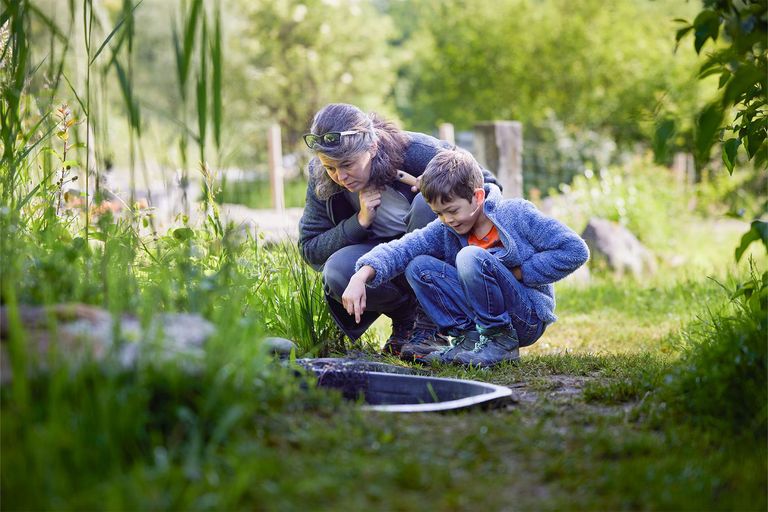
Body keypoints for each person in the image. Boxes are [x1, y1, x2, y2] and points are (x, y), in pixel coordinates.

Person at [342, 147, 589, 366]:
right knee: (419, 266)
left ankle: (501, 342)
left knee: (470, 256)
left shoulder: (516, 214)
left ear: (477, 197)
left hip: (525, 317)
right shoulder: (446, 228)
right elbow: (404, 248)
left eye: (452, 210)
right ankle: (468, 339)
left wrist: (520, 273)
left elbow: (574, 250)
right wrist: (361, 275)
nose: (447, 219)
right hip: (480, 318)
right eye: (439, 213)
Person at [298, 103, 499, 359]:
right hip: (382, 261)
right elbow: (310, 248)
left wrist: (439, 188)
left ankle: (430, 326)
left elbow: (489, 187)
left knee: (425, 204)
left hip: (438, 260)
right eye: (331, 167)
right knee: (337, 270)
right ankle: (406, 320)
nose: (340, 176)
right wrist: (358, 222)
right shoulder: (322, 175)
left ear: (372, 147)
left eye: (348, 164)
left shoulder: (417, 151)